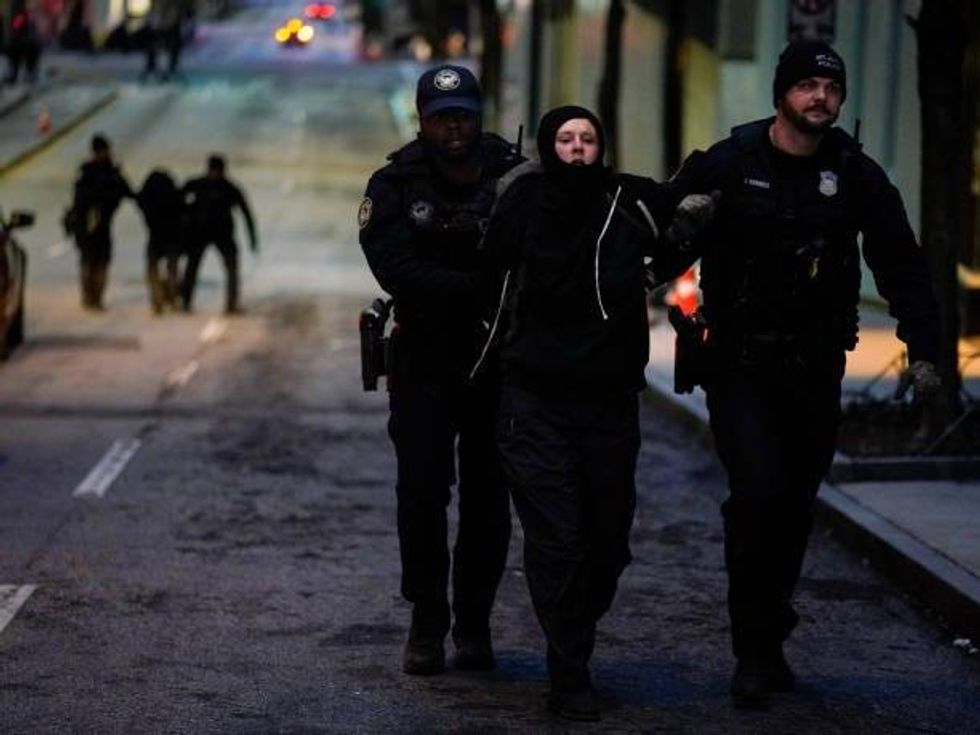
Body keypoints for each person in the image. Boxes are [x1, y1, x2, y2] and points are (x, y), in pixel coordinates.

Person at [665, 40, 941, 709]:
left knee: (792, 508)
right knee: (757, 494)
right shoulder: (729, 161)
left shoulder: (855, 173)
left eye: (831, 88)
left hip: (815, 367)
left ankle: (768, 629)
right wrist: (680, 226)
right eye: (808, 85)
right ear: (781, 93)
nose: (821, 97)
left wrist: (926, 350)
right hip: (739, 364)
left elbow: (900, 261)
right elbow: (655, 232)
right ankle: (752, 649)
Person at [478, 105, 713, 722]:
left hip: (609, 401)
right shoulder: (525, 202)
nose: (578, 148)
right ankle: (569, 669)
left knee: (608, 541)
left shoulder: (626, 199)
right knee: (557, 538)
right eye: (565, 138)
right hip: (534, 400)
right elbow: (486, 269)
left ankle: (574, 631)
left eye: (587, 138)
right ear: (548, 146)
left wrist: (676, 244)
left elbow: (681, 219)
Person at [359, 64, 522, 676]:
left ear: (479, 117)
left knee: (489, 497)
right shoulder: (395, 183)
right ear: (422, 120)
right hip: (424, 360)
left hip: (496, 361)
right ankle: (427, 619)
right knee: (423, 492)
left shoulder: (514, 175)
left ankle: (474, 622)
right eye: (441, 117)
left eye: (463, 116)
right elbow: (396, 269)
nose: (454, 127)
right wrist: (479, 287)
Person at [180, 154, 257, 314]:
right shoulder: (229, 187)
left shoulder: (201, 184)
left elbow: (177, 199)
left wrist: (186, 215)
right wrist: (252, 239)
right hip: (213, 233)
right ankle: (189, 302)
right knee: (196, 268)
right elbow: (246, 213)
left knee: (198, 268)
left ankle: (190, 303)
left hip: (209, 233)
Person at [68, 134, 134, 311]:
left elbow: (128, 192)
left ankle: (93, 297)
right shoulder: (99, 172)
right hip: (88, 225)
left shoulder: (95, 170)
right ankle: (92, 297)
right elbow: (81, 200)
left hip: (96, 226)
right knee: (94, 262)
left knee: (95, 261)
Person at [136, 169, 185, 314]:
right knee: (172, 269)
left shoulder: (148, 197)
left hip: (155, 237)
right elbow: (183, 212)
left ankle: (157, 302)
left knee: (153, 270)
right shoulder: (174, 196)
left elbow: (139, 200)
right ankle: (173, 300)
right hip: (172, 237)